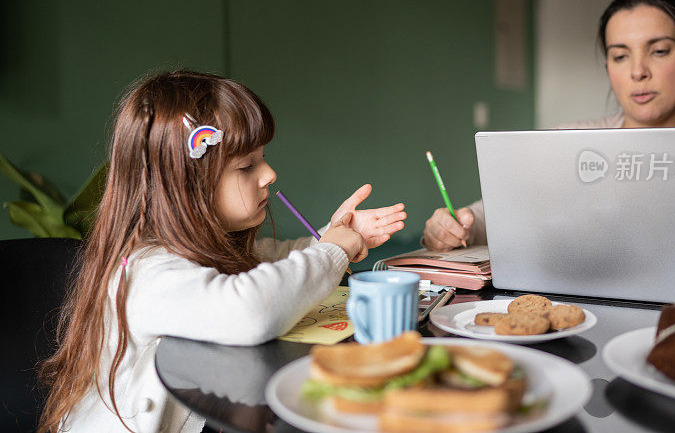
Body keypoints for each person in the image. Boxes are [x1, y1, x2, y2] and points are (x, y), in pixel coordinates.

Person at [37, 70, 407, 432]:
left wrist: (334, 236)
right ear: (185, 188)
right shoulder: (146, 272)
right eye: (247, 166)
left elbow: (273, 260)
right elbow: (250, 309)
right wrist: (330, 254)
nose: (269, 174)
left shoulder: (199, 252)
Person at [423, 0, 675, 282]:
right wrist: (453, 227)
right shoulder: (570, 142)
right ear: (608, 67)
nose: (637, 71)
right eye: (620, 56)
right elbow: (498, 214)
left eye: (659, 51)